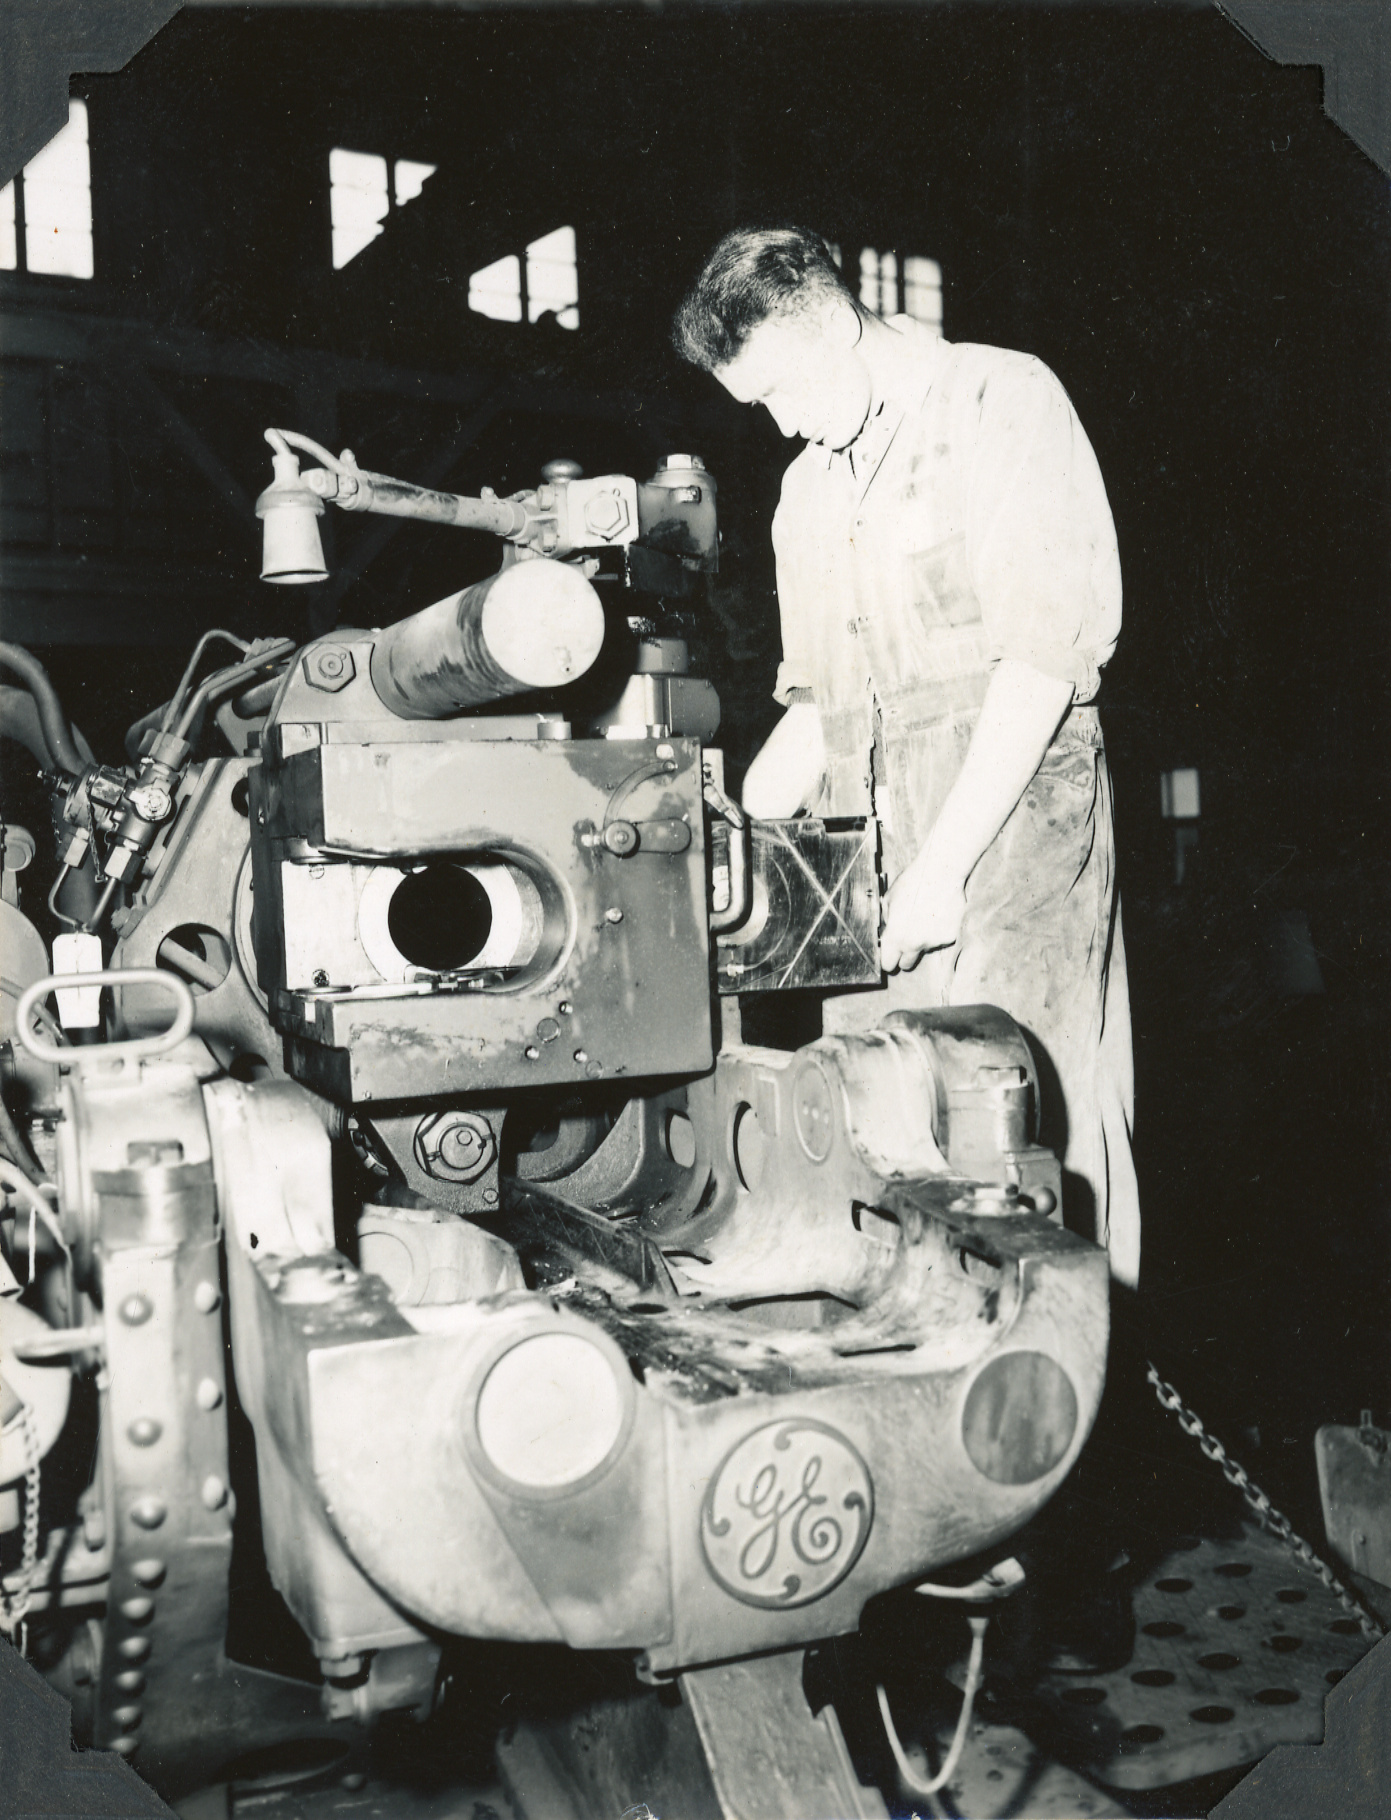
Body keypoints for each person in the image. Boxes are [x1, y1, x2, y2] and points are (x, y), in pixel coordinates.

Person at [671, 225, 1140, 1288]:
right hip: (869, 851)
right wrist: (729, 832)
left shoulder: (998, 403)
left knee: (1025, 1125)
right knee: (880, 1123)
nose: (780, 421)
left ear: (838, 325)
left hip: (1011, 817)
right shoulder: (807, 492)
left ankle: (1074, 1386)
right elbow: (816, 711)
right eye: (758, 407)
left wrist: (943, 868)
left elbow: (1039, 667)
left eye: (785, 389)